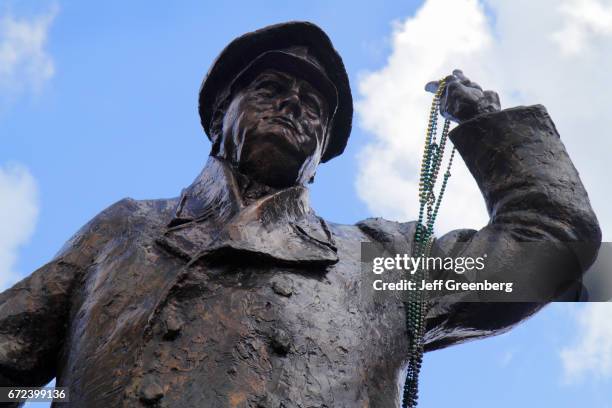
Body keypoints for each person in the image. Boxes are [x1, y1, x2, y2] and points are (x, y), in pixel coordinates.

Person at [0, 21, 601, 408]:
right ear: (218, 119)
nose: (294, 105)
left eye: (314, 107)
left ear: (319, 158)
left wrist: (485, 125)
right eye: (270, 89)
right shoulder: (126, 230)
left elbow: (549, 245)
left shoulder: (376, 263)